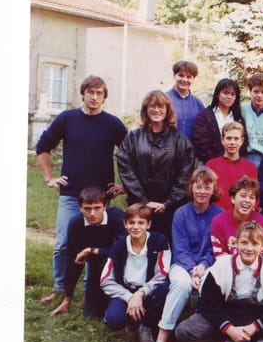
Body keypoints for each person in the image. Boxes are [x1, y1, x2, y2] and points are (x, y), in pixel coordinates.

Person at [35, 74, 127, 306]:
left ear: (104, 97)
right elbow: (43, 146)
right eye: (90, 92)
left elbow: (130, 153)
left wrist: (124, 184)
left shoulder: (113, 124)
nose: (94, 97)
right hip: (71, 193)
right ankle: (60, 287)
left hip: (100, 198)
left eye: (99, 93)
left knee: (94, 244)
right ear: (83, 94)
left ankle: (89, 288)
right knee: (63, 244)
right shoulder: (67, 119)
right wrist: (49, 178)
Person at [146, 167, 224, 342]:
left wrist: (203, 266)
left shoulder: (219, 214)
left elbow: (215, 248)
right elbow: (180, 248)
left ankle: (207, 340)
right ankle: (161, 340)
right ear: (191, 188)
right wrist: (192, 270)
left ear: (213, 190)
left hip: (209, 264)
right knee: (181, 285)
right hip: (182, 264)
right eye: (198, 186)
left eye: (207, 187)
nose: (202, 191)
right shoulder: (181, 213)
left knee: (211, 285)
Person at [116, 90, 195, 245]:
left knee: (166, 247)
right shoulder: (133, 137)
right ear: (146, 110)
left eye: (161, 106)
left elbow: (185, 175)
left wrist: (168, 203)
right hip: (139, 207)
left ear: (167, 110)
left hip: (170, 209)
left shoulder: (180, 140)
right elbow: (125, 169)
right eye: (152, 106)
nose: (156, 110)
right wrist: (144, 201)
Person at [99, 204, 171, 342]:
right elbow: (105, 280)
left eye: (141, 223)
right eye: (131, 223)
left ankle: (147, 325)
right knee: (113, 320)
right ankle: (131, 322)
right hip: (127, 290)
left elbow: (162, 274)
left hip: (149, 290)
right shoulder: (119, 245)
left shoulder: (159, 241)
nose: (136, 227)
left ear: (148, 224)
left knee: (165, 288)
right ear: (125, 224)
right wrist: (130, 297)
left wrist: (141, 293)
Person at [49, 186, 125, 318]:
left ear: (105, 206)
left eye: (97, 208)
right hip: (96, 266)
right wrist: (68, 298)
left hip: (119, 264)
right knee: (91, 314)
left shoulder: (116, 216)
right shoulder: (76, 223)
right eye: (87, 209)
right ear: (80, 208)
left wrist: (93, 250)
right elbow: (73, 261)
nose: (92, 213)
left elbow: (123, 249)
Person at [210, 176, 263, 259]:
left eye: (251, 197)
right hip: (227, 265)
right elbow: (219, 255)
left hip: (255, 265)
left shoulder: (262, 222)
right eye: (243, 195)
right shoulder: (219, 221)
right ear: (233, 198)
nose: (247, 200)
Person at [191, 78, 248, 164]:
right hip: (209, 163)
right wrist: (217, 164)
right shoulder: (204, 116)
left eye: (233, 94)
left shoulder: (238, 118)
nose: (229, 97)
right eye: (226, 93)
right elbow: (201, 143)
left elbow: (243, 142)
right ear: (218, 94)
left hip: (234, 163)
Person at [205, 122, 258, 212]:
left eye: (236, 139)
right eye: (229, 138)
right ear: (222, 140)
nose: (232, 142)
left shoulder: (250, 167)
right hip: (216, 215)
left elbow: (255, 195)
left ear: (241, 141)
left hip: (241, 215)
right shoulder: (211, 165)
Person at [165, 60, 205, 141]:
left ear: (193, 79)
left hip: (192, 147)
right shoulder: (163, 99)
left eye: (189, 77)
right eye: (181, 75)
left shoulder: (198, 104)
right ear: (174, 75)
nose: (184, 80)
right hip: (167, 147)